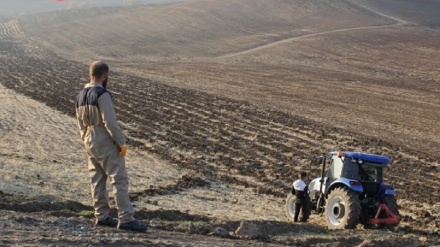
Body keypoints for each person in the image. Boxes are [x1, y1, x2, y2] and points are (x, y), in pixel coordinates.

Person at [75, 61, 147, 232]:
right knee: (119, 178)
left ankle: (101, 215)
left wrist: (85, 138)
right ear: (105, 74)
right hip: (104, 138)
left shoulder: (80, 96)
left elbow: (80, 124)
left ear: (90, 73)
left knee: (97, 179)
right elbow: (110, 123)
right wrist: (121, 142)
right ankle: (126, 218)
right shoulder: (102, 94)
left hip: (88, 138)